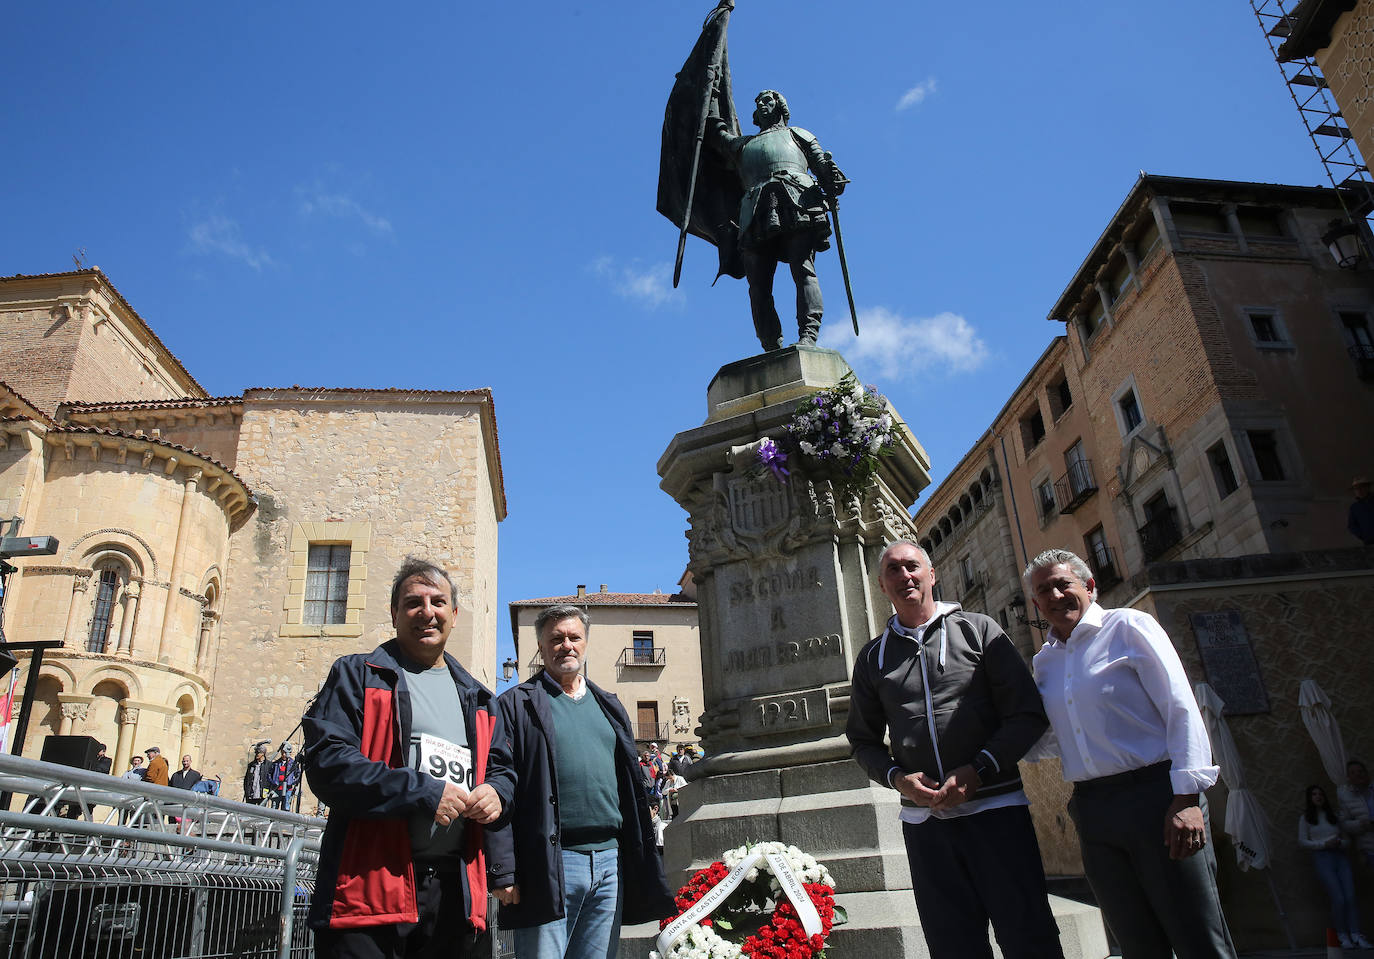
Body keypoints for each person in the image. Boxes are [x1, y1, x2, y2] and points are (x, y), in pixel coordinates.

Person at [847, 540, 1063, 959]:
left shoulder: (979, 630)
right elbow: (863, 741)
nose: (904, 576)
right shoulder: (873, 658)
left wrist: (979, 768)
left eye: (912, 566)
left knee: (1029, 936)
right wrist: (898, 779)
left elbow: (1026, 714)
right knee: (953, 946)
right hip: (926, 827)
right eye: (893, 570)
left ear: (932, 574)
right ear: (881, 585)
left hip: (997, 811)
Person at [1025, 548, 1236, 959]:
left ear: (1089, 586)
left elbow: (1180, 707)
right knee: (1134, 941)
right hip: (1093, 807)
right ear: (1036, 604)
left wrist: (1188, 798)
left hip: (1158, 796)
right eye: (1043, 591)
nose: (1054, 596)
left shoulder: (1129, 627)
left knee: (1198, 938)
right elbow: (1053, 738)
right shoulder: (1044, 663)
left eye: (1062, 584)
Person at [303, 557, 513, 958]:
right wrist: (424, 792)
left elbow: (502, 769)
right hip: (370, 893)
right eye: (413, 602)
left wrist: (497, 792)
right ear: (394, 613)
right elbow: (328, 763)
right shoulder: (357, 676)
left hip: (456, 897)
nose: (426, 612)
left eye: (438, 602)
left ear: (454, 614)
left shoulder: (481, 699)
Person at [487, 604, 674, 959]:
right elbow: (499, 782)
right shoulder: (514, 705)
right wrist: (503, 869)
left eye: (574, 637)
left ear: (586, 643)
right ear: (541, 648)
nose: (566, 645)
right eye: (555, 639)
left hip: (609, 862)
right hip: (549, 862)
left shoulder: (609, 705)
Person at [708, 90, 846, 352]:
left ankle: (808, 334)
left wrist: (831, 175)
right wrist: (710, 98)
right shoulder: (743, 145)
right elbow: (719, 137)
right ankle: (771, 345)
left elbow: (823, 169)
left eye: (767, 100)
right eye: (758, 102)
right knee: (757, 285)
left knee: (802, 269)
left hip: (797, 199)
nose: (761, 104)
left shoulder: (799, 135)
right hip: (755, 209)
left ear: (781, 106)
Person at [1300, 785, 1372, 950]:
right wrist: (1324, 843)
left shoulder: (1334, 816)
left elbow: (1347, 839)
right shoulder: (1305, 818)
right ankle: (1342, 935)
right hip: (1322, 858)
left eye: (1321, 793)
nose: (1318, 796)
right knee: (1338, 898)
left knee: (1350, 897)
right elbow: (1302, 841)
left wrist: (1340, 843)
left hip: (1340, 857)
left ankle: (1356, 934)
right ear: (1309, 798)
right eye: (1314, 794)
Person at [1339, 759, 1374, 869]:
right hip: (1370, 848)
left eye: (1360, 771)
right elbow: (1344, 824)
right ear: (1349, 778)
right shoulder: (1346, 798)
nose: (1358, 774)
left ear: (1366, 773)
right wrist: (1362, 824)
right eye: (1353, 773)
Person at [268, 744, 301, 811]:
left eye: (285, 753)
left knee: (286, 807)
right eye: (282, 752)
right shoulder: (276, 763)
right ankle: (273, 820)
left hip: (287, 790)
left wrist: (292, 782)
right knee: (274, 808)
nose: (284, 755)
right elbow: (269, 774)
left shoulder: (293, 764)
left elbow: (298, 775)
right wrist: (273, 782)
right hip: (276, 789)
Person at [1350, 477, 1374, 545]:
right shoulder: (1354, 507)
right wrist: (1364, 535)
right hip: (1369, 542)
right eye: (1356, 489)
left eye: (1361, 487)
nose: (1358, 491)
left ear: (1367, 488)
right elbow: (1352, 525)